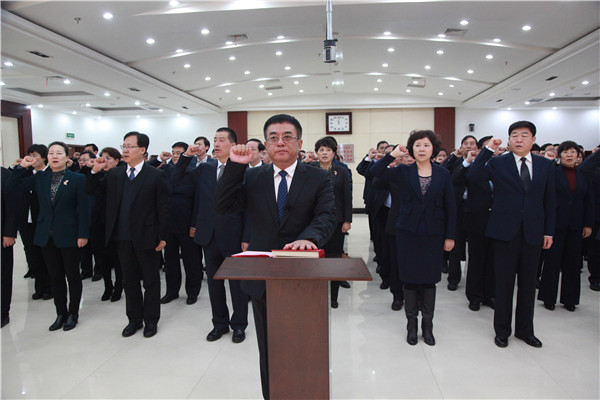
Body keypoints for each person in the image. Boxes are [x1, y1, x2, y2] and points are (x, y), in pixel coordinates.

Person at [214, 114, 336, 399]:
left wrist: (309, 238)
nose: (280, 142)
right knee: (269, 347)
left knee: (306, 345)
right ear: (266, 145)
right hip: (264, 277)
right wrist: (235, 166)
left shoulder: (318, 177)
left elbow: (327, 215)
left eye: (287, 137)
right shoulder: (252, 176)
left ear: (300, 143)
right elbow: (222, 206)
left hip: (305, 275)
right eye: (273, 138)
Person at [468, 121, 556, 348]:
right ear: (508, 140)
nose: (519, 139)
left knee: (527, 285)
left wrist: (548, 231)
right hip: (504, 232)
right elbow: (474, 175)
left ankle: (525, 330)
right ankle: (502, 331)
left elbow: (549, 200)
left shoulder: (545, 165)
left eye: (524, 135)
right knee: (504, 285)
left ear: (533, 140)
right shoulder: (498, 162)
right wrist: (488, 149)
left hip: (533, 232)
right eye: (514, 135)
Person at [367, 130, 456, 346]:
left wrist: (450, 236)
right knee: (410, 279)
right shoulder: (403, 171)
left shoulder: (443, 174)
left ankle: (428, 326)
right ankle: (411, 325)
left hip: (434, 234)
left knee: (430, 280)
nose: (422, 149)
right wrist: (392, 155)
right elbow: (374, 171)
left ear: (433, 149)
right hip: (407, 233)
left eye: (426, 145)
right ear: (411, 149)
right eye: (417, 145)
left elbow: (451, 207)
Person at [86, 132, 169, 338]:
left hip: (147, 236)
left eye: (130, 146)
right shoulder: (115, 174)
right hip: (122, 237)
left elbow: (163, 208)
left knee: (150, 282)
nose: (125, 150)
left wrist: (163, 236)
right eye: (124, 146)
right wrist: (95, 171)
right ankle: (134, 319)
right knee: (129, 281)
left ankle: (151, 320)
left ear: (142, 150)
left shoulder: (155, 175)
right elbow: (92, 190)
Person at [173, 128, 249, 342]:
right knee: (215, 283)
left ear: (233, 145)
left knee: (237, 284)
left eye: (221, 140)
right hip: (209, 234)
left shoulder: (243, 169)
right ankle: (219, 324)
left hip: (234, 235)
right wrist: (187, 156)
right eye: (215, 140)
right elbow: (177, 179)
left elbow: (249, 208)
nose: (216, 143)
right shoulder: (204, 169)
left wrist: (247, 236)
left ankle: (239, 325)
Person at [9, 141, 90, 331]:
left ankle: (73, 313)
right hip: (46, 235)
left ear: (67, 157)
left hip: (70, 234)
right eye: (51, 153)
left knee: (72, 276)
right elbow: (13, 185)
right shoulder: (40, 177)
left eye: (59, 153)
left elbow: (83, 208)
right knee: (55, 276)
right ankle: (60, 313)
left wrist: (83, 234)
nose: (55, 156)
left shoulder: (77, 178)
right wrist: (22, 167)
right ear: (47, 157)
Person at [538, 141, 593, 311]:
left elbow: (589, 201)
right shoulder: (553, 172)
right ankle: (548, 297)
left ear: (578, 156)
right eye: (565, 152)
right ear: (559, 155)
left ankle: (570, 299)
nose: (569, 155)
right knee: (552, 261)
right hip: (555, 222)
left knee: (573, 262)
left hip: (576, 223)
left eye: (573, 152)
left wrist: (588, 224)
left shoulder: (584, 175)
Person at [151, 142, 203, 306]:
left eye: (179, 153)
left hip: (187, 223)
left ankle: (192, 292)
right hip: (168, 223)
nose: (175, 155)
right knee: (170, 260)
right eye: (173, 152)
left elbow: (199, 201)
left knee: (191, 260)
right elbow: (147, 170)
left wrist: (194, 224)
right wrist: (159, 159)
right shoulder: (165, 170)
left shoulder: (194, 172)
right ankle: (172, 291)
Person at [452, 136, 496, 311]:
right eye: (487, 148)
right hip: (477, 219)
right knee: (477, 259)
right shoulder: (473, 167)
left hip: (497, 219)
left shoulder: (501, 166)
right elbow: (455, 180)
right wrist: (467, 162)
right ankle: (475, 296)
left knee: (493, 261)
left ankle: (489, 295)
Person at [312, 136, 352, 308]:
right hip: (314, 222)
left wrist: (347, 220)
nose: (324, 153)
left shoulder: (341, 171)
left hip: (336, 221)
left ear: (334, 153)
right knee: (317, 258)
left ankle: (334, 296)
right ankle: (318, 294)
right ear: (317, 153)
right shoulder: (310, 169)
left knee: (335, 258)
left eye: (328, 150)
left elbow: (347, 197)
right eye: (321, 150)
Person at [13, 144, 52, 299]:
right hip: (27, 220)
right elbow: (12, 184)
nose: (32, 158)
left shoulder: (50, 174)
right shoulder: (27, 173)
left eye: (35, 155)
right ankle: (39, 287)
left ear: (44, 157)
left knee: (47, 257)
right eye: (30, 155)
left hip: (43, 221)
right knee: (33, 255)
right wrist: (20, 167)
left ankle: (50, 288)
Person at [89, 147, 123, 302]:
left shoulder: (121, 176)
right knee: (102, 258)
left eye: (108, 158)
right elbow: (89, 189)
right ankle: (107, 286)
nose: (105, 161)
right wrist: (95, 171)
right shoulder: (98, 175)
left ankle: (118, 286)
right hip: (99, 223)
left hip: (116, 224)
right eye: (102, 157)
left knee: (117, 259)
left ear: (116, 161)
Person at [2, 167, 22, 328]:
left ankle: (3, 312)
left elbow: (13, 207)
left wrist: (10, 232)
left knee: (3, 274)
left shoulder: (6, 176)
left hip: (3, 235)